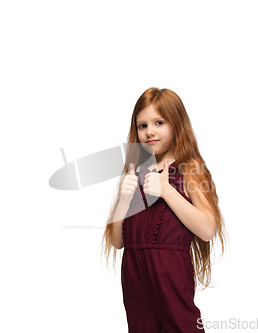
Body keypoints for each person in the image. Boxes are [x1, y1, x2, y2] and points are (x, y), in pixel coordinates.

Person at [102, 87, 228, 332]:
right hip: (134, 276)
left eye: (159, 122)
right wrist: (124, 201)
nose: (149, 131)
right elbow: (117, 242)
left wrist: (167, 191)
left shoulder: (190, 167)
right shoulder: (135, 172)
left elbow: (207, 229)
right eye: (142, 125)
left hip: (169, 273)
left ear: (176, 123)